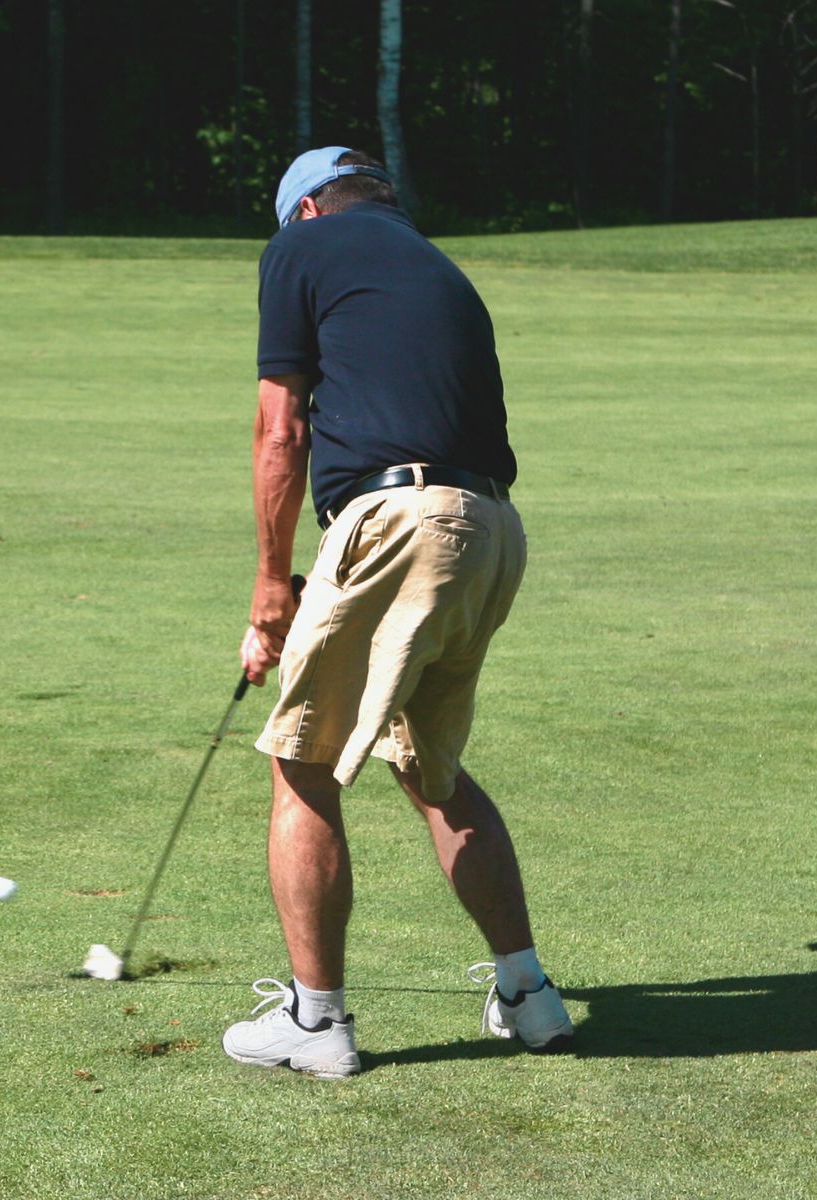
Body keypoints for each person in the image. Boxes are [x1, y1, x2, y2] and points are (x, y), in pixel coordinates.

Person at [219, 146, 575, 1080]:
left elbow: (281, 427)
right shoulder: (431, 260)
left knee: (303, 763)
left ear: (305, 211)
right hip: (491, 527)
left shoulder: (303, 249)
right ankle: (532, 997)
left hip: (400, 516)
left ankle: (316, 1022)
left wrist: (271, 583)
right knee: (433, 768)